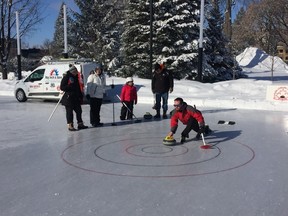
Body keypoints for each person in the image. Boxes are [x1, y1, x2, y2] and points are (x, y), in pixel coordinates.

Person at [60, 65, 88, 131]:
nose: (76, 72)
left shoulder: (75, 77)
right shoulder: (67, 77)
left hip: (75, 97)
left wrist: (81, 95)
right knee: (70, 113)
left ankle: (80, 124)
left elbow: (78, 87)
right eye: (75, 71)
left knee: (79, 111)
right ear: (72, 71)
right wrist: (70, 87)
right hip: (68, 98)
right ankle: (70, 125)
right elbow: (62, 87)